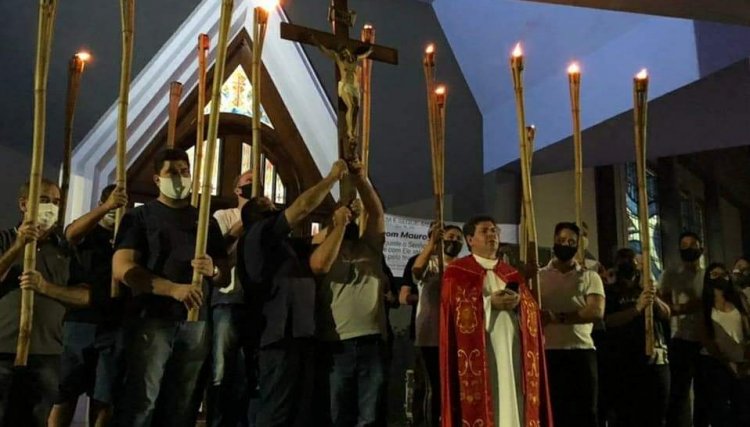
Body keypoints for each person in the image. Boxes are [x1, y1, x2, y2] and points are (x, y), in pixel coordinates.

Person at [112, 149, 230, 426]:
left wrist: (213, 269)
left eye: (184, 171)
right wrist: (172, 289)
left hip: (195, 323)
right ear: (157, 179)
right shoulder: (140, 218)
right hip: (151, 320)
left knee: (183, 404)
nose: (180, 178)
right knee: (143, 401)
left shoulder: (204, 221)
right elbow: (122, 268)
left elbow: (223, 276)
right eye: (172, 173)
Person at [239, 159, 348, 427]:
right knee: (276, 410)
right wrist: (332, 178)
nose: (273, 205)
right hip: (277, 336)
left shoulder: (283, 245)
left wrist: (342, 219)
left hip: (299, 334)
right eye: (267, 204)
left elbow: (318, 242)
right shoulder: (257, 236)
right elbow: (301, 209)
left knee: (298, 413)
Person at [440, 215, 553, 427]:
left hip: (514, 348)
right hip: (482, 347)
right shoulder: (457, 272)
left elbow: (532, 311)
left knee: (515, 393)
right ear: (470, 240)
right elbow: (454, 312)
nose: (492, 234)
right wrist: (488, 303)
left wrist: (520, 302)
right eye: (485, 231)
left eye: (494, 231)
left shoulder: (510, 273)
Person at [0, 178, 91, 426]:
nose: (51, 207)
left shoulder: (64, 250)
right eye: (43, 200)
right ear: (23, 204)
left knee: (36, 420)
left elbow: (85, 295)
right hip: (4, 351)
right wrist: (19, 246)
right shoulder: (5, 240)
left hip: (46, 353)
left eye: (56, 202)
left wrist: (46, 287)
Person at [311, 159, 388, 426]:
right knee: (337, 414)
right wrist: (339, 225)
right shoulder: (324, 250)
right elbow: (320, 265)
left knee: (369, 415)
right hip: (337, 344)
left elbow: (377, 215)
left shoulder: (370, 248)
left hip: (371, 341)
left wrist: (361, 181)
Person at [48, 184, 128, 427]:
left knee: (103, 396)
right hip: (81, 320)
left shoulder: (128, 236)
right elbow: (71, 234)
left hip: (114, 321)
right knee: (66, 391)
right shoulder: (89, 232)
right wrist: (106, 208)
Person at [539, 221, 605, 427]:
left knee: (585, 412)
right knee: (552, 412)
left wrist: (557, 317)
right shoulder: (539, 277)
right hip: (547, 352)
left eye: (570, 241)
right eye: (561, 240)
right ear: (553, 241)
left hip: (580, 351)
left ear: (578, 246)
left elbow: (595, 311)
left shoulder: (589, 276)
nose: (565, 244)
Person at [207, 170, 256, 427]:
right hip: (228, 298)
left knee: (248, 372)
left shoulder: (266, 221)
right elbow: (220, 252)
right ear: (238, 189)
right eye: (249, 181)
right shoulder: (223, 216)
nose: (253, 185)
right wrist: (246, 222)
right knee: (221, 370)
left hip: (255, 303)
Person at [603, 248, 671, 427]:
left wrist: (652, 297)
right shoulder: (611, 292)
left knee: (656, 416)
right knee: (626, 417)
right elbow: (608, 321)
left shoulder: (645, 288)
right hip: (625, 363)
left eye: (632, 262)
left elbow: (666, 314)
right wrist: (636, 309)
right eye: (623, 262)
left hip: (654, 361)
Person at [408, 223, 463, 426]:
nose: (454, 241)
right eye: (450, 237)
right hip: (430, 336)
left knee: (451, 388)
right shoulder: (431, 263)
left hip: (454, 336)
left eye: (459, 238)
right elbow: (416, 270)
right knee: (432, 387)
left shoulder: (462, 268)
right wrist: (432, 244)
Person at [661, 231, 706, 427]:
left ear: (701, 248)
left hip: (706, 340)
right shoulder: (671, 274)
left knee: (705, 392)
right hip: (680, 338)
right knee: (679, 393)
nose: (689, 250)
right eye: (684, 246)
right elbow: (663, 304)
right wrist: (684, 307)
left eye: (693, 245)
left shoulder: (707, 275)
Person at [698, 263, 750, 427]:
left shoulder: (739, 299)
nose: (719, 278)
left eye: (723, 274)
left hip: (741, 361)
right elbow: (706, 337)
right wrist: (727, 362)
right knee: (720, 412)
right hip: (715, 363)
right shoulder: (705, 306)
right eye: (714, 274)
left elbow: (747, 329)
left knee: (743, 410)